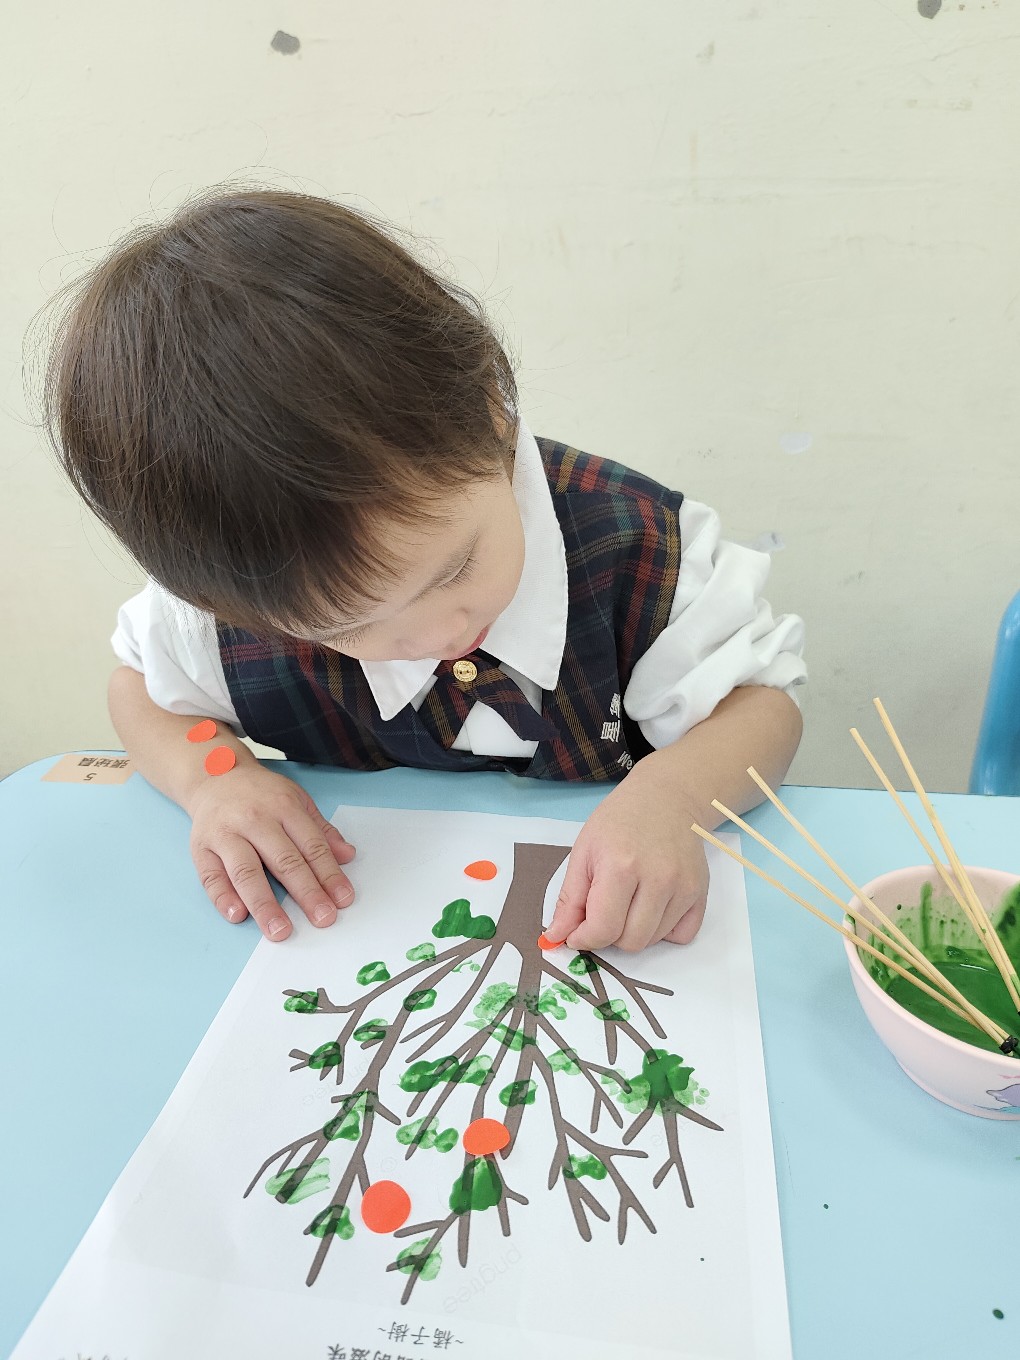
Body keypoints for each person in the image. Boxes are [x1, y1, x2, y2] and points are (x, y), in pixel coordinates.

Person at [45, 188, 806, 952]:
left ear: (493, 415)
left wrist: (673, 798)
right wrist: (214, 777)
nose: (440, 633)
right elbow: (141, 694)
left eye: (455, 568)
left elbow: (762, 708)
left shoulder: (637, 547)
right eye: (349, 625)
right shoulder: (230, 610)